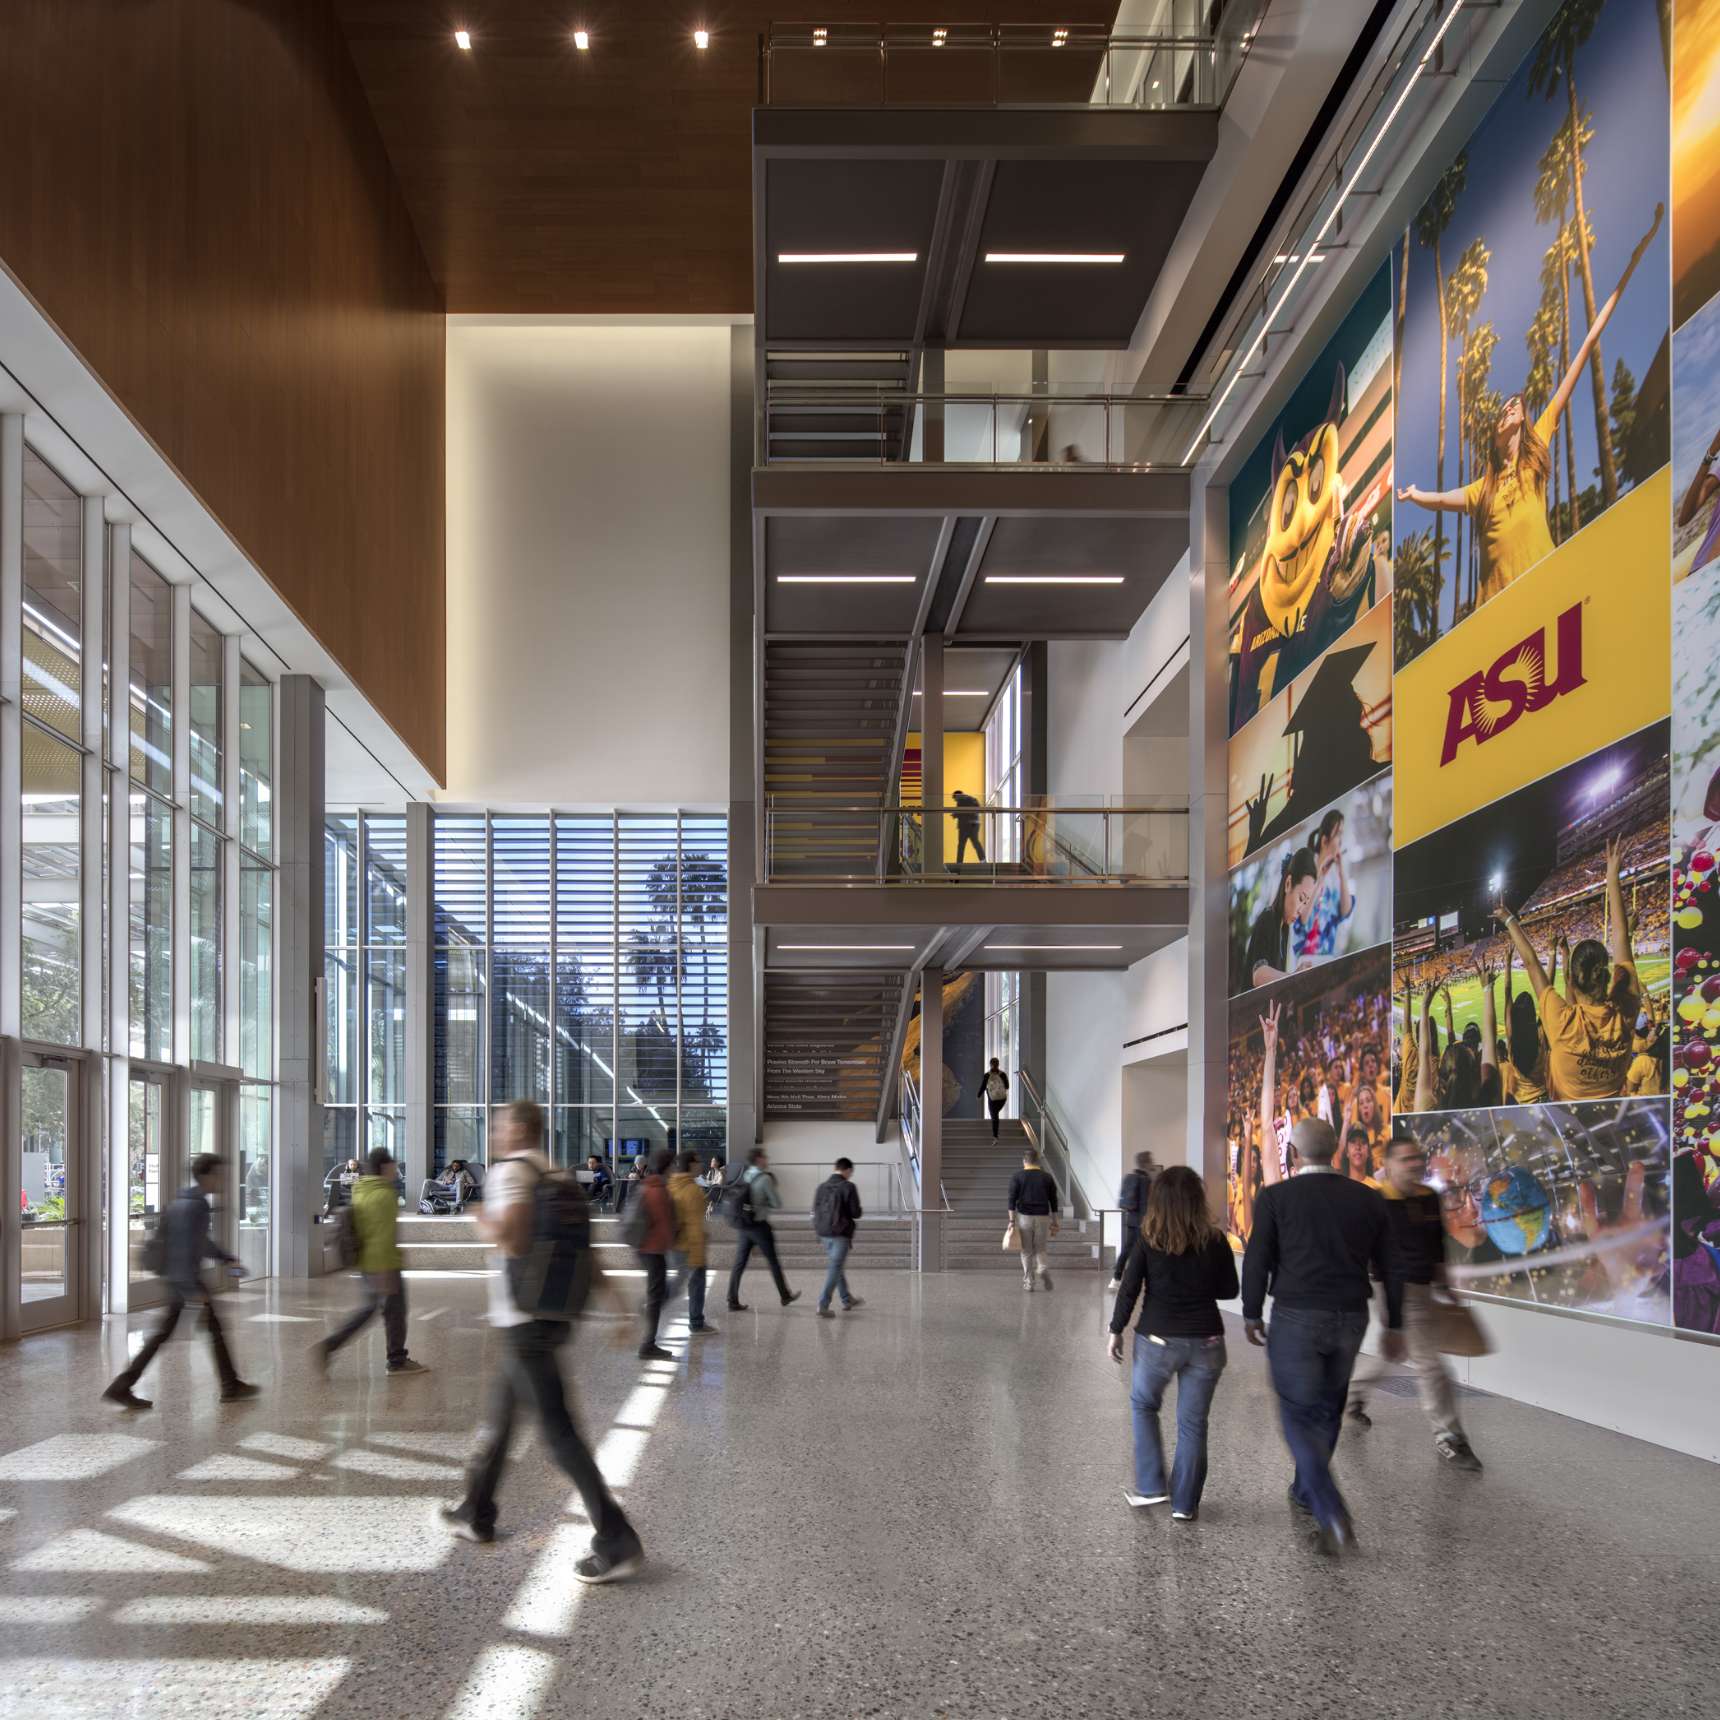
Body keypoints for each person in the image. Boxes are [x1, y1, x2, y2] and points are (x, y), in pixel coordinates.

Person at [1398, 204, 1660, 609]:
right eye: (1503, 408)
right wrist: (1415, 495)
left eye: (1514, 406)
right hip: (1494, 606)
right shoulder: (1480, 488)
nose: (1508, 408)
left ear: (1523, 419)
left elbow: (1587, 344)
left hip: (1544, 586)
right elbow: (1443, 499)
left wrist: (1634, 258)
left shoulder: (1537, 446)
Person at [442, 1100, 643, 1583]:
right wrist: (618, 1308)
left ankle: (616, 1538)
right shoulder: (558, 1176)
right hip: (553, 1314)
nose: (492, 1133)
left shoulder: (510, 1173)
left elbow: (509, 1240)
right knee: (503, 1415)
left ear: (518, 1129)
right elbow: (587, 1254)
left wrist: (476, 1214)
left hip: (523, 1320)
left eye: (497, 1125)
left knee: (558, 1433)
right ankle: (476, 1510)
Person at [1241, 1117, 1403, 1556]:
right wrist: (1395, 1324)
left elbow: (1257, 1259)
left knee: (1296, 1415)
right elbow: (1391, 1265)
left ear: (1293, 1154)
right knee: (1330, 1407)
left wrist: (1251, 1311)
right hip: (1351, 1317)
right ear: (1335, 1151)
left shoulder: (1276, 1196)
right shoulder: (1368, 1199)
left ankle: (1332, 1512)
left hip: (1296, 1316)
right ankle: (1305, 1488)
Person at [1347, 1123, 1482, 1471]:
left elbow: (1437, 1245)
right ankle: (1448, 1436)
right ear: (1389, 1165)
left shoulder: (1427, 1198)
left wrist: (1445, 1282)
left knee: (1398, 1351)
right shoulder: (1375, 1201)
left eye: (1417, 1159)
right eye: (1406, 1160)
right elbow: (1365, 1252)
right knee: (1430, 1362)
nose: (1414, 1165)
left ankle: (1350, 1396)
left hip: (1422, 1288)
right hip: (1391, 1287)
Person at [1108, 1167, 1238, 1520]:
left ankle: (1151, 1487)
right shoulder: (1215, 1240)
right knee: (1194, 1424)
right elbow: (1230, 1291)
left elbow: (1129, 1288)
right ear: (1197, 1199)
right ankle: (1185, 1505)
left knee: (1144, 1405)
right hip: (1207, 1341)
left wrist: (1115, 1330)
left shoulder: (1149, 1240)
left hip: (1157, 1340)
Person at [103, 1153, 259, 1411]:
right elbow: (183, 1249)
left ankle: (123, 1386)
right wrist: (191, 1289)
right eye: (220, 1174)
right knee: (199, 1332)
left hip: (179, 1278)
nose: (223, 1180)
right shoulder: (195, 1206)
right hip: (185, 1280)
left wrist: (226, 1258)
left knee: (178, 1333)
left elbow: (199, 1241)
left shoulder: (184, 1201)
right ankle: (230, 1386)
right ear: (207, 1176)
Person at [1496, 836, 1639, 1100]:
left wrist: (1509, 920)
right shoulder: (1626, 1012)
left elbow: (1530, 962)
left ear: (1571, 979)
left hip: (1568, 1122)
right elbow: (1620, 935)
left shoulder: (1563, 1021)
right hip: (1612, 1119)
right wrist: (1612, 878)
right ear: (1606, 975)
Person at [317, 1148, 427, 1378]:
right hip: (383, 1263)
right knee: (395, 1311)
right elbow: (382, 1236)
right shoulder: (385, 1196)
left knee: (370, 1310)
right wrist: (387, 1269)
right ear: (385, 1167)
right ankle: (396, 1360)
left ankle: (330, 1346)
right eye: (393, 1165)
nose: (396, 1169)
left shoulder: (361, 1189)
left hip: (366, 1261)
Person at [726, 1147, 800, 1311]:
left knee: (739, 1263)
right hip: (759, 1226)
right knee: (773, 1262)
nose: (767, 1160)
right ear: (759, 1159)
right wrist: (764, 1202)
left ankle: (732, 1299)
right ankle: (785, 1296)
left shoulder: (746, 1174)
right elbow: (777, 1203)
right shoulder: (765, 1179)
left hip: (744, 1225)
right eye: (765, 1157)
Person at [1240, 847, 1318, 990]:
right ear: (1288, 884)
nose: (1301, 910)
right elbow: (1258, 974)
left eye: (1305, 903)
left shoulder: (1285, 929)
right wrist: (1294, 977)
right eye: (1301, 899)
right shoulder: (1267, 919)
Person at [632, 1147, 677, 1361]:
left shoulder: (648, 1184)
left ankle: (648, 1334)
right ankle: (647, 1344)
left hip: (645, 1247)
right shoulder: (659, 1189)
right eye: (674, 1164)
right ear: (668, 1166)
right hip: (653, 1249)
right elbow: (664, 1223)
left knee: (659, 1293)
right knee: (656, 1295)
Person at [667, 1150, 717, 1336]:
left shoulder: (672, 1183)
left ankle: (653, 1302)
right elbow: (695, 1226)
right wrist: (698, 1255)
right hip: (690, 1245)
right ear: (691, 1164)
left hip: (675, 1243)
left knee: (680, 1281)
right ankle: (696, 1323)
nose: (701, 1164)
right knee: (696, 1283)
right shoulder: (692, 1190)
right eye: (698, 1161)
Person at [1294, 809, 1355, 959]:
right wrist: (1320, 878)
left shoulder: (1335, 875)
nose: (1341, 840)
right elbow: (1302, 918)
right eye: (1338, 834)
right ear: (1324, 840)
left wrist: (1341, 872)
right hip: (1305, 958)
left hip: (1327, 957)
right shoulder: (1308, 865)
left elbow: (1345, 912)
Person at [811, 1156, 865, 1318]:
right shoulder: (849, 1187)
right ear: (847, 1170)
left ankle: (847, 1298)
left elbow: (815, 1210)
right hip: (840, 1233)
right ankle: (823, 1304)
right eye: (851, 1172)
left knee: (837, 1265)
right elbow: (856, 1213)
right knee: (835, 1267)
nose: (850, 1175)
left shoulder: (821, 1187)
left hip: (823, 1232)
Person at [1006, 1147, 1060, 1291]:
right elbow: (1053, 1201)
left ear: (1024, 1161)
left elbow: (1011, 1200)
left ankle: (1029, 1282)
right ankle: (1042, 1268)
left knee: (1026, 1251)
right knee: (1041, 1248)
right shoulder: (1047, 1177)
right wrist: (1055, 1220)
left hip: (1024, 1217)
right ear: (1038, 1161)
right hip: (1043, 1217)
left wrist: (1011, 1221)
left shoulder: (1017, 1177)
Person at [1110, 1150, 1156, 1286]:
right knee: (1148, 1251)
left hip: (1131, 1220)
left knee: (1127, 1249)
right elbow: (1146, 1203)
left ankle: (1116, 1278)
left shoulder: (1130, 1177)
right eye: (1151, 1160)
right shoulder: (1146, 1180)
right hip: (1143, 1222)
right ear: (1146, 1163)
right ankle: (1146, 1279)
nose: (1152, 1162)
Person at [951, 788, 986, 865]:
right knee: (975, 843)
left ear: (958, 795)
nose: (955, 801)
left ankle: (959, 863)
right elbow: (977, 809)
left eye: (955, 798)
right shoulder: (972, 799)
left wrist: (954, 814)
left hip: (965, 826)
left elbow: (959, 813)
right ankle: (983, 860)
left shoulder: (961, 802)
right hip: (973, 824)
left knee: (961, 845)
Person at [978, 1058, 1010, 1140]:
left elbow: (983, 1087)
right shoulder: (1003, 1074)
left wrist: (978, 1095)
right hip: (1002, 1098)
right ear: (998, 1064)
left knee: (994, 1115)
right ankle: (995, 1136)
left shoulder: (987, 1075)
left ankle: (995, 1136)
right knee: (995, 1115)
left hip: (992, 1099)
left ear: (990, 1064)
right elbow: (1007, 1086)